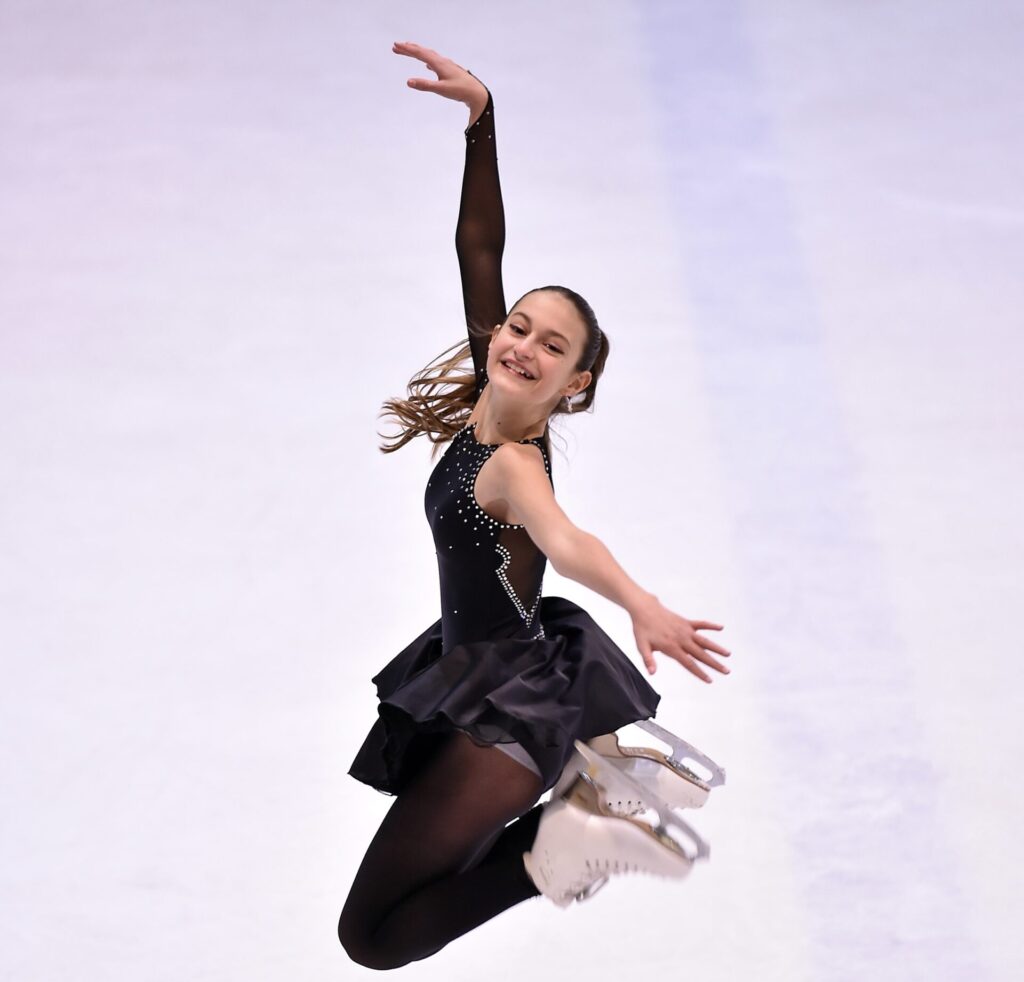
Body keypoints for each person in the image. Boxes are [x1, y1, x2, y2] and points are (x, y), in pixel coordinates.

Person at [338, 42, 732, 970]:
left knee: (374, 937)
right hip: (495, 683)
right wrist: (484, 123)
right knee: (379, 928)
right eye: (518, 325)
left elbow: (566, 537)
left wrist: (640, 602)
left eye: (550, 348)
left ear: (575, 383)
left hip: (502, 720)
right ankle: (587, 819)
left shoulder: (516, 460)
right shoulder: (495, 385)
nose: (520, 345)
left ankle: (589, 828)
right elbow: (481, 248)